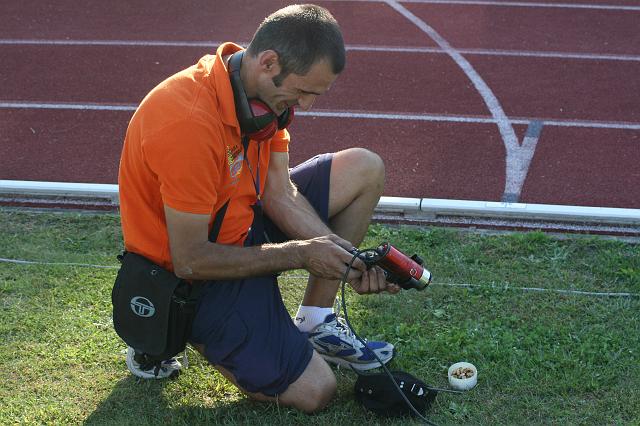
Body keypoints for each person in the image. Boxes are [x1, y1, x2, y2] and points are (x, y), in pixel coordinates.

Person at [117, 4, 400, 413]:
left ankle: (317, 320)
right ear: (268, 62)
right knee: (316, 392)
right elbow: (191, 261)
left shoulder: (263, 97)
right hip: (191, 276)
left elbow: (279, 194)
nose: (305, 105)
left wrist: (345, 258)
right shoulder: (187, 122)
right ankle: (162, 334)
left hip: (242, 224)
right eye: (304, 92)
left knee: (365, 168)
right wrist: (302, 253)